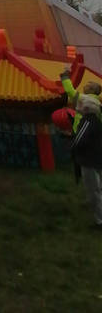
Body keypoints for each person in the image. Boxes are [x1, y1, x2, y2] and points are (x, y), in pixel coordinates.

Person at [70, 94, 102, 230]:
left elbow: (79, 140)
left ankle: (100, 221)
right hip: (97, 159)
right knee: (98, 189)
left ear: (87, 108)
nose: (80, 106)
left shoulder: (87, 121)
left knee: (93, 191)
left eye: (82, 104)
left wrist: (71, 146)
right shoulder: (96, 121)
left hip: (89, 161)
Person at [60, 66, 101, 132]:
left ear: (92, 90)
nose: (84, 86)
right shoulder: (98, 103)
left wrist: (65, 77)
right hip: (93, 131)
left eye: (87, 86)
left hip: (81, 128)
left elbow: (70, 91)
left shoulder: (84, 99)